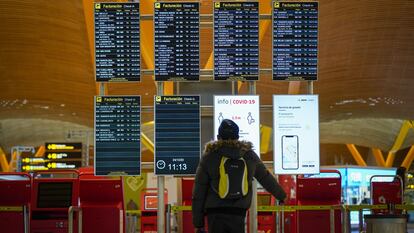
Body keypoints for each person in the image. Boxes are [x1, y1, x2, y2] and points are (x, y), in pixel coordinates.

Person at [192, 119, 286, 233]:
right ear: (237, 136)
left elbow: (199, 191)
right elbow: (265, 177)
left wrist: (198, 223)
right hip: (238, 211)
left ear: (218, 136)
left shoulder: (209, 156)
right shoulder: (248, 155)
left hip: (215, 212)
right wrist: (281, 195)